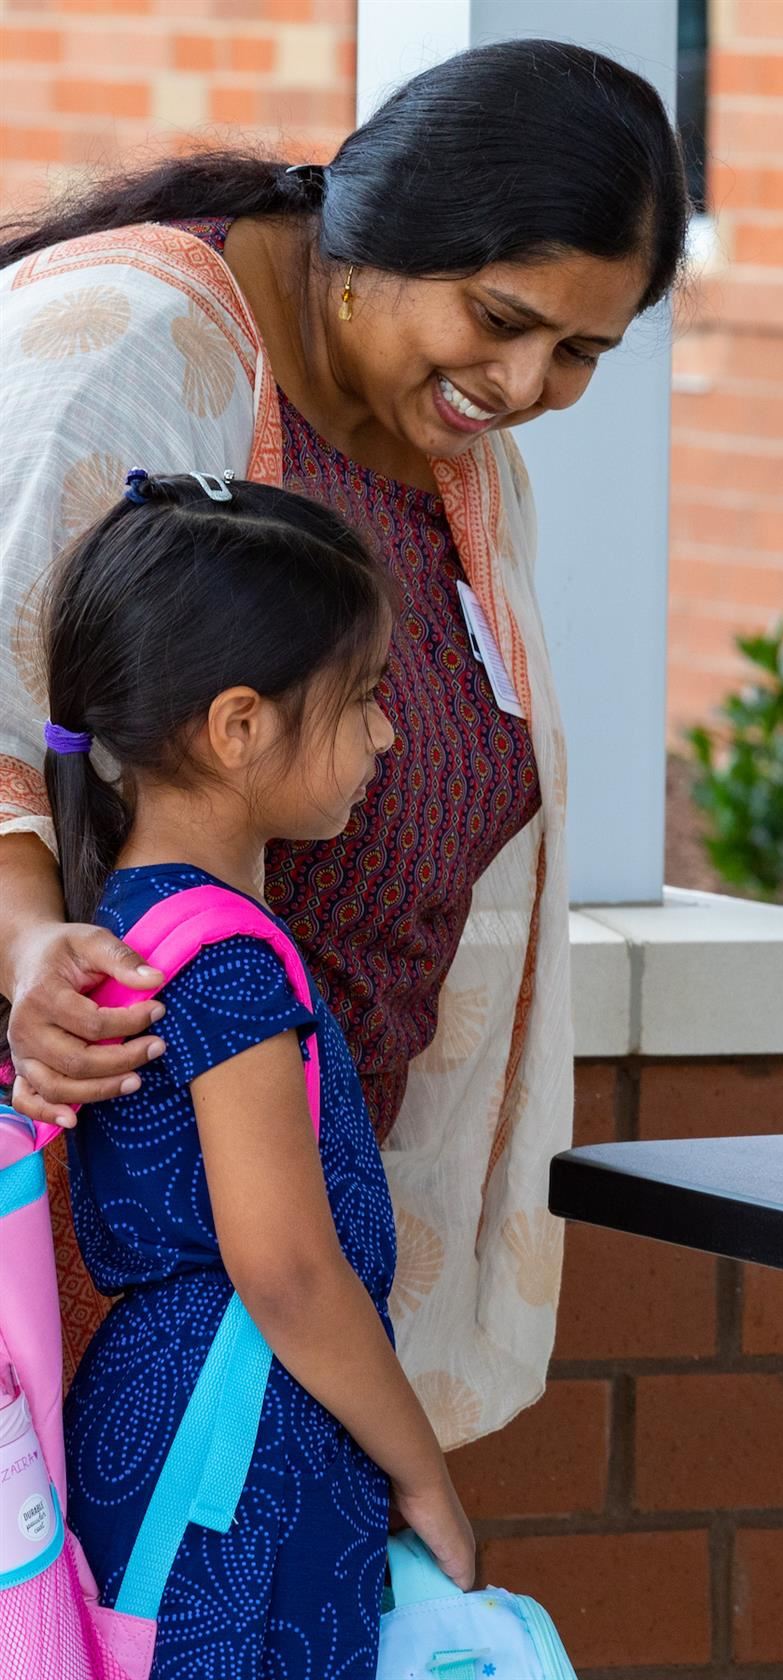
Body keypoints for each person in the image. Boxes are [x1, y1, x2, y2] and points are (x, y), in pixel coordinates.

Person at [0, 38, 689, 1444]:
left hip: (292, 1241)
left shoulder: (438, 434)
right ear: (370, 238)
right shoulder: (119, 354)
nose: (523, 383)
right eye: (500, 317)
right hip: (125, 1246)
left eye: (580, 353)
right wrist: (22, 942)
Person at [44, 471, 472, 1675]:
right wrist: (421, 1465)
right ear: (239, 728)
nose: (387, 733)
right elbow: (284, 1265)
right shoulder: (226, 961)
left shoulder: (133, 916)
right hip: (240, 1454)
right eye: (366, 698)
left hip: (178, 1420)